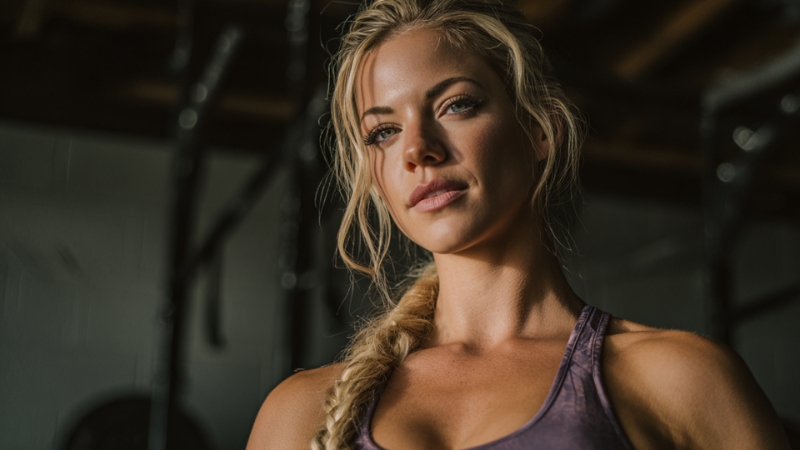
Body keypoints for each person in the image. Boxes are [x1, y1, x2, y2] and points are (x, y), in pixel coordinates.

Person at [247, 0, 790, 448]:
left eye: (457, 104)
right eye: (383, 132)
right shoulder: (300, 415)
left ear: (539, 131)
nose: (417, 150)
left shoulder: (677, 379)